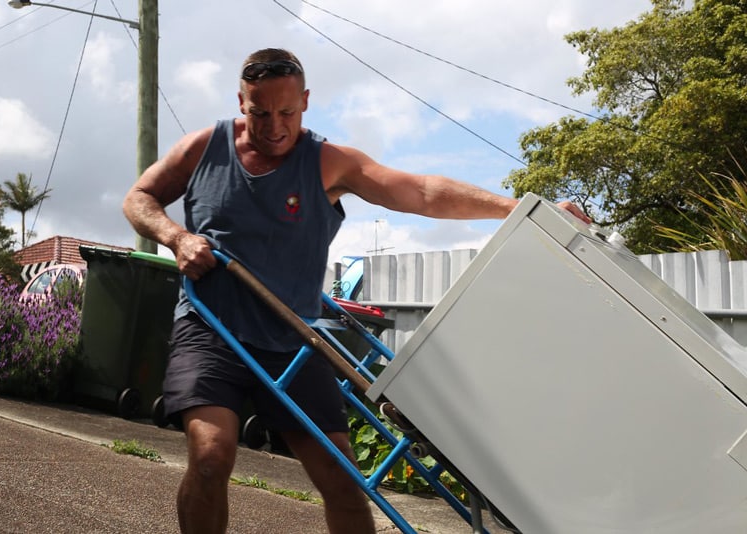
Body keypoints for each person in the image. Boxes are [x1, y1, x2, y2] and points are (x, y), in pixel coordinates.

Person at [122, 47, 590, 534]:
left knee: (342, 479)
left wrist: (521, 208)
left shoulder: (329, 163)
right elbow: (139, 198)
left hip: (292, 339)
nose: (275, 126)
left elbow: (422, 192)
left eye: (287, 112)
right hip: (211, 330)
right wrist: (176, 237)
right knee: (211, 455)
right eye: (261, 112)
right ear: (241, 102)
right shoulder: (204, 148)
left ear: (305, 101)